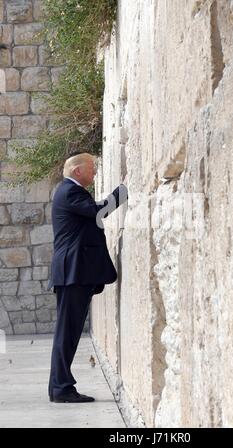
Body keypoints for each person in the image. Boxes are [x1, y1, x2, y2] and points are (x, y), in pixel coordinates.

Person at [47, 152, 128, 403]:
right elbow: (97, 212)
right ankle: (61, 389)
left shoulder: (67, 191)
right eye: (91, 168)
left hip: (74, 272)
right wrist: (122, 192)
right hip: (73, 272)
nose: (94, 172)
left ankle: (59, 387)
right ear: (76, 171)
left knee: (67, 332)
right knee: (67, 333)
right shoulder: (69, 192)